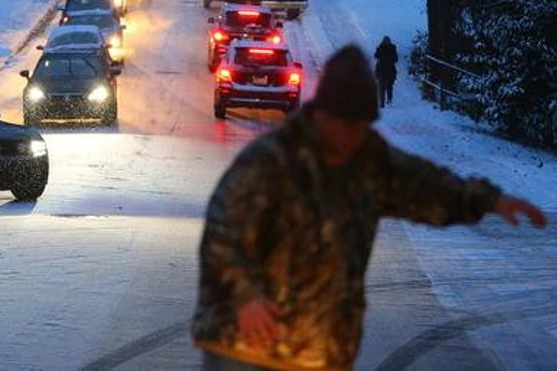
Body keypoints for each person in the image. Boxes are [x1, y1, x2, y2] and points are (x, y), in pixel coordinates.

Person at [192, 44, 546, 371]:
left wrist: (489, 200)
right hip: (245, 342)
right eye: (347, 124)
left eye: (363, 125)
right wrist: (246, 297)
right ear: (322, 113)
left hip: (317, 348)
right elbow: (224, 237)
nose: (354, 134)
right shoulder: (271, 162)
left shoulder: (367, 161)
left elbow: (425, 186)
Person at [374, 36, 398, 108]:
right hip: (382, 71)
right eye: (385, 41)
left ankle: (389, 100)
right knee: (382, 88)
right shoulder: (380, 48)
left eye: (387, 41)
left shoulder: (392, 49)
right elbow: (376, 56)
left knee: (389, 87)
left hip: (390, 71)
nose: (386, 42)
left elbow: (396, 59)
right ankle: (382, 103)